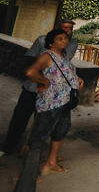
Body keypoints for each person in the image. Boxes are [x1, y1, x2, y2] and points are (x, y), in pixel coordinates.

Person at [2, 19, 78, 156]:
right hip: (34, 87)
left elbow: (65, 64)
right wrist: (43, 78)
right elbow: (30, 60)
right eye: (64, 28)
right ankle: (9, 147)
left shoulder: (72, 44)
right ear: (56, 28)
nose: (67, 32)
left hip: (53, 94)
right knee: (21, 117)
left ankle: (31, 151)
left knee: (42, 124)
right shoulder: (42, 40)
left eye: (70, 29)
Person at [22, 29, 78, 175]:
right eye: (60, 39)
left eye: (65, 38)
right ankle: (28, 173)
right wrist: (44, 81)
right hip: (50, 102)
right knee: (39, 136)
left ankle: (51, 162)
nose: (65, 41)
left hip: (65, 101)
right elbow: (30, 72)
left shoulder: (63, 56)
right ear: (51, 43)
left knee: (61, 130)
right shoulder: (47, 56)